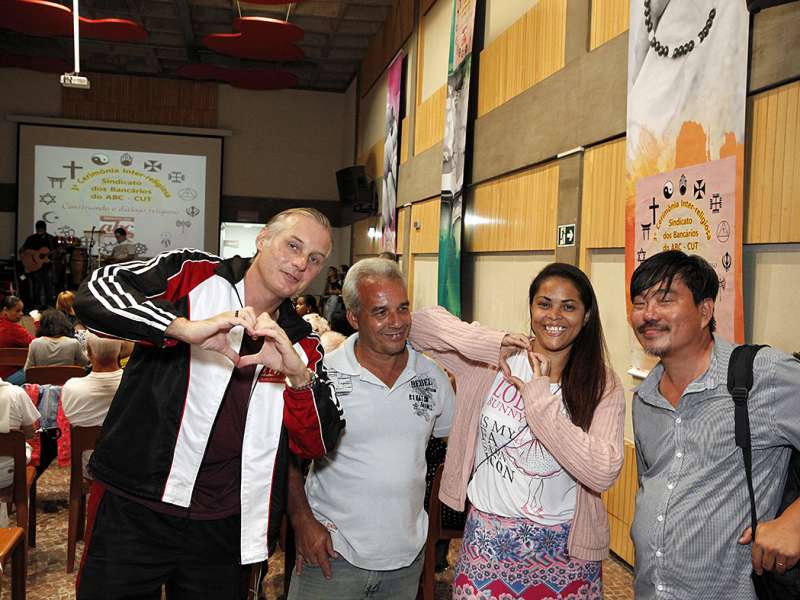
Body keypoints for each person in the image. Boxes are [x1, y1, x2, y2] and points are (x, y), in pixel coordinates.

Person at [73, 207, 345, 600]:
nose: (301, 263)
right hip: (135, 505)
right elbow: (96, 291)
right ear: (263, 239)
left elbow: (319, 443)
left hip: (225, 526)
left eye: (315, 259)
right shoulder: (191, 274)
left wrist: (297, 377)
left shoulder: (301, 341)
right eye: (293, 245)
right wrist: (181, 328)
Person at [410, 262, 625, 599]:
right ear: (531, 308)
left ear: (585, 317)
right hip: (489, 544)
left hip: (566, 551)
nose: (554, 315)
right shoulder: (493, 363)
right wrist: (491, 341)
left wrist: (539, 399)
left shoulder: (602, 383)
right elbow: (418, 325)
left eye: (568, 307)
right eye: (544, 303)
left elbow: (601, 471)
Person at [629, 250, 800, 599]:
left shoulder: (758, 375)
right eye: (639, 302)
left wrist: (795, 522)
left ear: (705, 311)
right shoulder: (644, 398)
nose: (648, 314)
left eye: (665, 300)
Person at [286, 258, 455, 600]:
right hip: (331, 554)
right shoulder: (323, 374)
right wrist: (302, 522)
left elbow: (453, 447)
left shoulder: (432, 377)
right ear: (353, 317)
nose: (396, 323)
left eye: (403, 308)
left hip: (404, 562)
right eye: (380, 312)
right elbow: (284, 453)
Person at [61, 333, 123, 477]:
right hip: (128, 468)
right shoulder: (136, 385)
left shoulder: (71, 387)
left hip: (89, 467)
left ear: (88, 352)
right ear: (120, 350)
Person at [24, 309, 89, 371]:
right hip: (67, 381)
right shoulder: (73, 343)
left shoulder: (35, 343)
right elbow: (85, 363)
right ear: (64, 324)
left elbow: (27, 370)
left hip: (41, 381)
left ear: (42, 325)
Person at [0, 296, 34, 385]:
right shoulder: (13, 330)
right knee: (39, 371)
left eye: (22, 310)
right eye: (17, 311)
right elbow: (36, 345)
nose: (22, 313)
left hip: (3, 374)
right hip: (7, 376)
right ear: (5, 310)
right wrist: (37, 322)